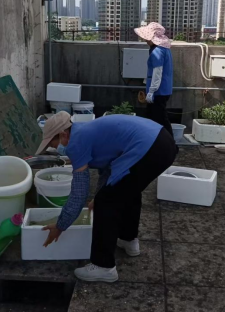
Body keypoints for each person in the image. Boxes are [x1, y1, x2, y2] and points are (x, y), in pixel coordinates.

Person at [35, 111, 177, 283]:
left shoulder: (76, 143)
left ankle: (103, 266)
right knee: (127, 191)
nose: (55, 148)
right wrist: (99, 194)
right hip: (163, 141)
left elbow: (79, 194)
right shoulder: (85, 130)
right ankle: (128, 239)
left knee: (106, 203)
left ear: (63, 134)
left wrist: (60, 226)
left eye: (53, 143)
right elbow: (108, 169)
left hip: (149, 147)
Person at [134, 22, 175, 138]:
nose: (145, 40)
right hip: (164, 89)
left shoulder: (157, 51)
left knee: (160, 119)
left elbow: (157, 73)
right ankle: (157, 142)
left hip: (159, 91)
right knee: (153, 117)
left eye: (147, 38)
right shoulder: (164, 49)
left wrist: (151, 91)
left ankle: (170, 143)